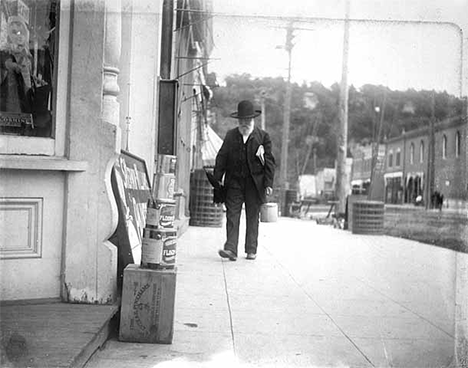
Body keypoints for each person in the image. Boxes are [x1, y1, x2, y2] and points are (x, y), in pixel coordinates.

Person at [214, 100, 275, 261]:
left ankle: (251, 249)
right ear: (238, 121)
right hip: (234, 182)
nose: (244, 123)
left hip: (254, 184)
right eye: (241, 120)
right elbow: (221, 158)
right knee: (232, 214)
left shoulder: (263, 137)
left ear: (253, 120)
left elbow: (269, 161)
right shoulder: (231, 136)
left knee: (252, 216)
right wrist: (217, 179)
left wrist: (268, 183)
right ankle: (231, 249)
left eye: (247, 120)